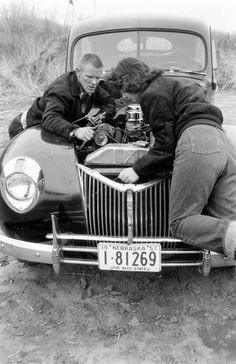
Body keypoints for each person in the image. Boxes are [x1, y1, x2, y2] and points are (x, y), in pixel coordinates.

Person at [109, 57, 236, 260]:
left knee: (181, 222)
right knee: (227, 225)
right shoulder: (173, 83)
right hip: (223, 144)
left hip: (197, 142)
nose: (125, 97)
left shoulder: (152, 94)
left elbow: (165, 147)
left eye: (123, 89)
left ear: (129, 81)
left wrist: (137, 170)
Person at [8, 53, 116, 142]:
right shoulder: (61, 90)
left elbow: (109, 103)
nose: (93, 82)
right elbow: (50, 119)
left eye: (98, 78)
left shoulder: (92, 85)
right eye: (89, 77)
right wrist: (76, 131)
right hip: (26, 127)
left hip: (54, 126)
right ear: (78, 72)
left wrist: (98, 118)